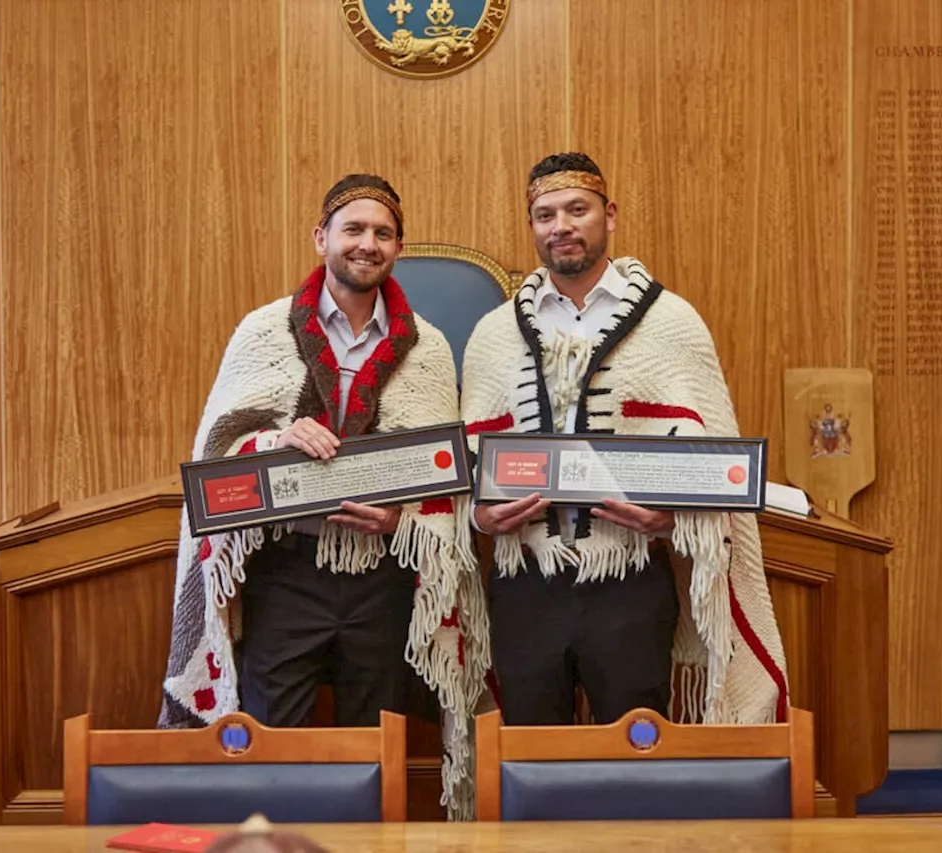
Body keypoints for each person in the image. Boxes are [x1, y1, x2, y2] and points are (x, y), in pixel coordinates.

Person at [158, 174, 489, 819]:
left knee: (379, 746)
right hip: (286, 573)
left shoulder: (426, 349)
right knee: (273, 741)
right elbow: (220, 445)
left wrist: (400, 520)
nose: (367, 244)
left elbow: (445, 478)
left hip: (384, 580)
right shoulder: (264, 331)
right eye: (353, 230)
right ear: (322, 238)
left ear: (398, 246)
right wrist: (279, 437)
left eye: (382, 233)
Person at [460, 152, 788, 727]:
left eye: (576, 210)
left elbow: (712, 453)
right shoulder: (493, 333)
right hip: (525, 580)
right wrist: (482, 519)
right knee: (526, 756)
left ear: (609, 215)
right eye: (544, 215)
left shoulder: (671, 322)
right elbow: (467, 460)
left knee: (636, 745)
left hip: (630, 579)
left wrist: (674, 519)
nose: (560, 226)